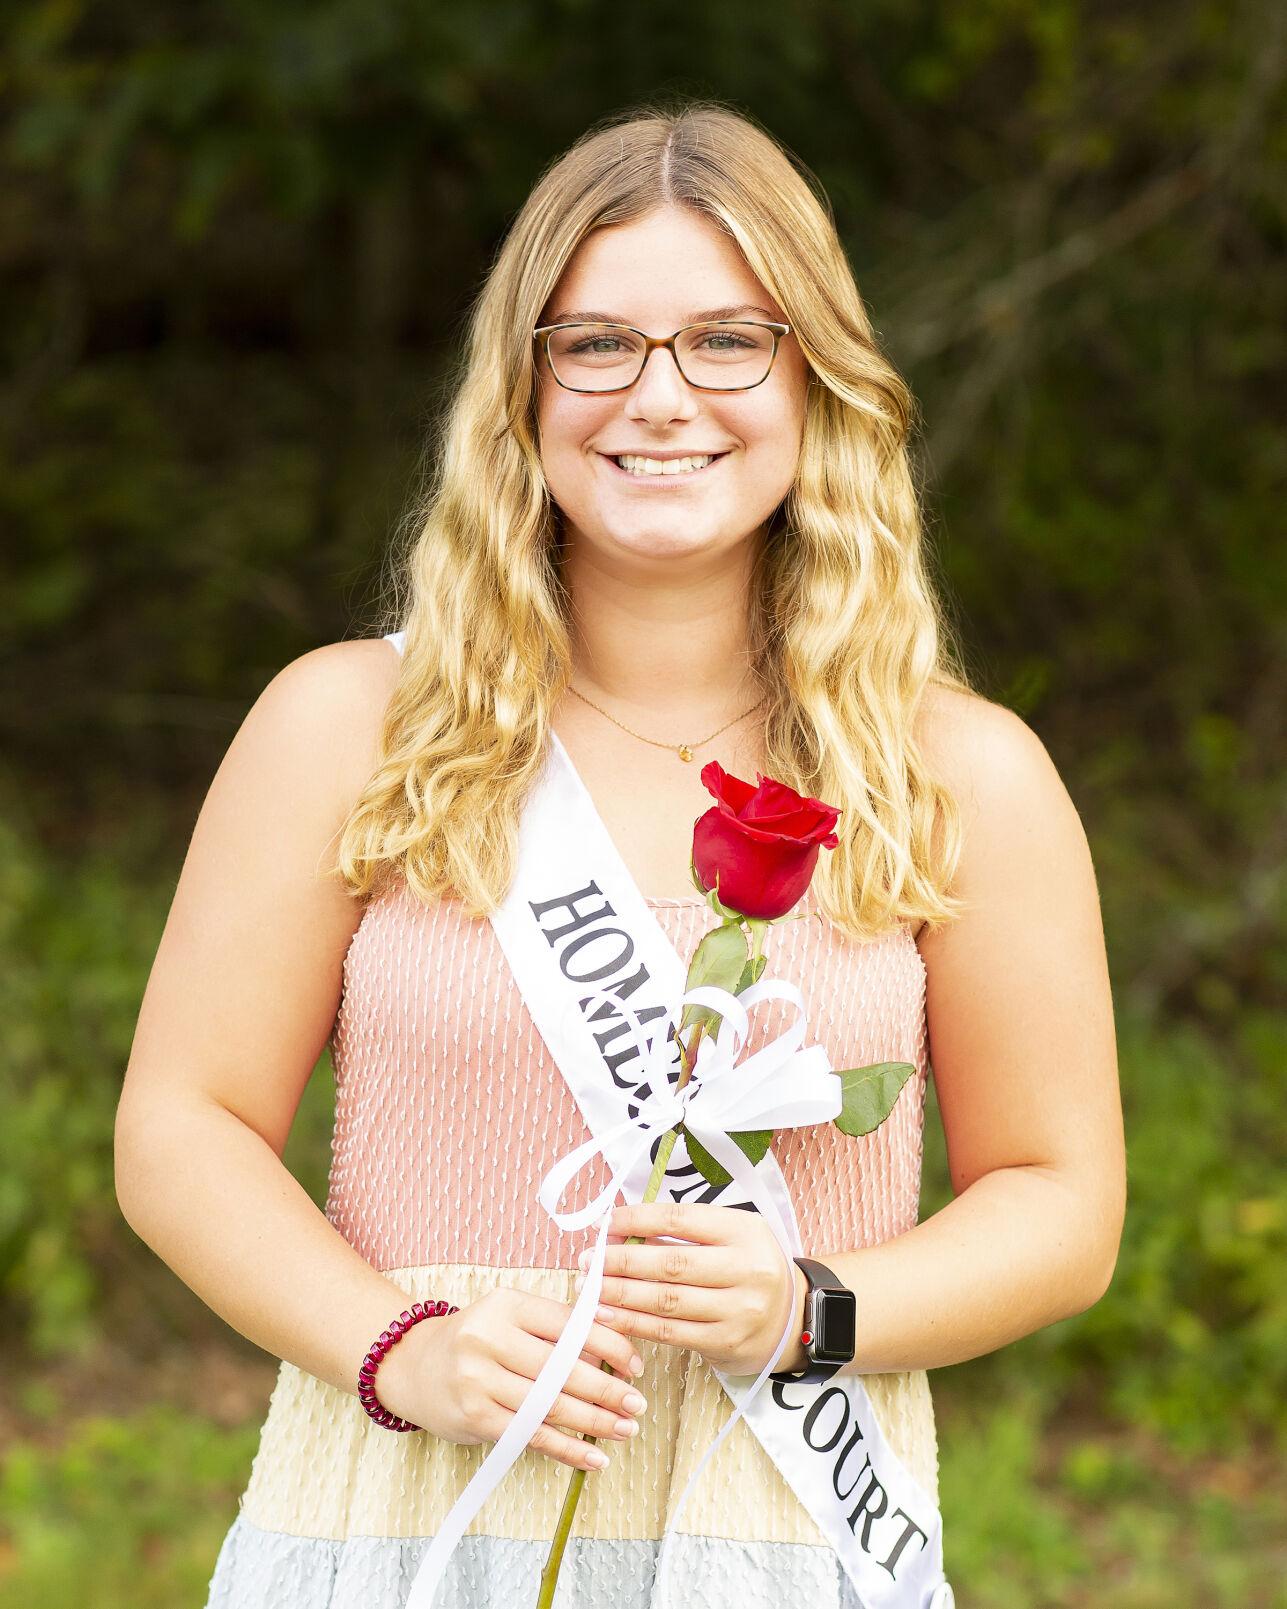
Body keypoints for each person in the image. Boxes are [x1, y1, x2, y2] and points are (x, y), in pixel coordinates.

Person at [113, 98, 1126, 1608]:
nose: (661, 397)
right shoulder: (349, 724)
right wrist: (403, 1350)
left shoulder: (959, 772)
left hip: (773, 1517)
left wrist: (814, 1304)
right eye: (595, 343)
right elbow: (180, 1129)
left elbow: (1060, 1200)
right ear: (520, 390)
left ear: (815, 379)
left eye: (729, 339)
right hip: (414, 1497)